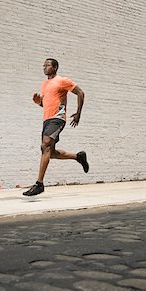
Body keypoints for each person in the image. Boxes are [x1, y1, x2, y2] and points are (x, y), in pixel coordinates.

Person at [23, 58, 89, 196]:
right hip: (47, 119)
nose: (44, 67)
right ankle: (78, 157)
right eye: (43, 65)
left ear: (55, 67)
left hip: (57, 119)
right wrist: (38, 102)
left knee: (45, 146)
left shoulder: (62, 81)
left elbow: (80, 93)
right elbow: (46, 104)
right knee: (50, 153)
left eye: (47, 65)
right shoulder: (44, 84)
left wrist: (78, 114)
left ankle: (39, 184)